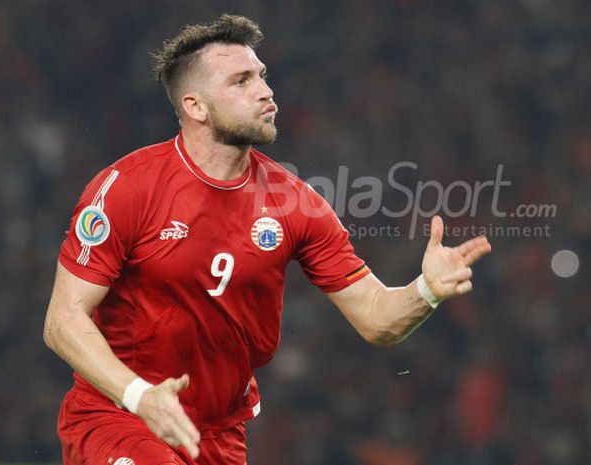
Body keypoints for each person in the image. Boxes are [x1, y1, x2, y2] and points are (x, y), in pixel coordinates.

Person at [43, 14, 491, 465]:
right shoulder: (128, 187)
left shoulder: (296, 203)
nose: (264, 90)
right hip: (119, 417)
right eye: (241, 81)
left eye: (261, 75)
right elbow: (63, 320)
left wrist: (426, 290)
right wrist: (140, 395)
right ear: (195, 106)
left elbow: (376, 318)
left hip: (217, 435)